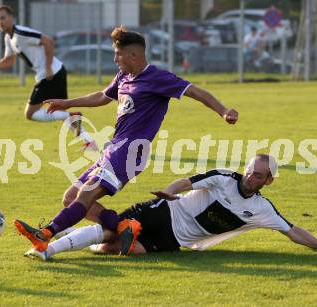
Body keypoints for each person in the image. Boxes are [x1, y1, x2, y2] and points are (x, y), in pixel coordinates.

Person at [14, 26, 239, 255]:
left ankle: (44, 235)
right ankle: (123, 228)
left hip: (130, 152)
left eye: (118, 54)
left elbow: (196, 92)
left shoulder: (158, 78)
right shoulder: (123, 76)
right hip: (114, 149)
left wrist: (223, 111)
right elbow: (102, 96)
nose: (114, 58)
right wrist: (67, 103)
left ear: (133, 55)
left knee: (85, 195)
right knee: (71, 198)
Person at [23, 154, 317, 261]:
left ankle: (76, 235)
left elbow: (294, 232)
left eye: (258, 176)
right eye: (249, 171)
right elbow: (187, 182)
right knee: (113, 229)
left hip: (174, 241)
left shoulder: (262, 208)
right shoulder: (223, 177)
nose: (250, 178)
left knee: (115, 249)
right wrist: (168, 193)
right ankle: (47, 248)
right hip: (164, 211)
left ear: (268, 181)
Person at [0, 5, 82, 135]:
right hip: (56, 72)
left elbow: (48, 41)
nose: (0, 21)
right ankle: (90, 142)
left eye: (3, 18)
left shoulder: (20, 33)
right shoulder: (8, 38)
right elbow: (9, 61)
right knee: (59, 112)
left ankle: (73, 118)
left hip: (50, 74)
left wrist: (48, 68)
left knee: (30, 113)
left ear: (12, 18)